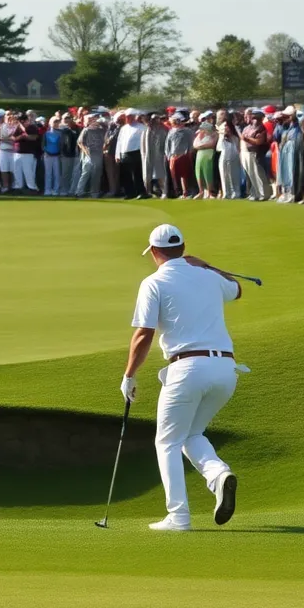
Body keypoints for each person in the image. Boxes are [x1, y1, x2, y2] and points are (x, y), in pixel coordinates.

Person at [121, 223, 244, 531]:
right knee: (191, 435)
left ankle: (178, 517)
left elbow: (144, 334)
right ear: (183, 247)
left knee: (167, 442)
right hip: (226, 370)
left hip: (187, 370)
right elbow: (237, 290)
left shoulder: (154, 282)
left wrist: (129, 375)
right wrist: (208, 266)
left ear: (155, 253)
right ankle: (218, 475)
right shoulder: (208, 276)